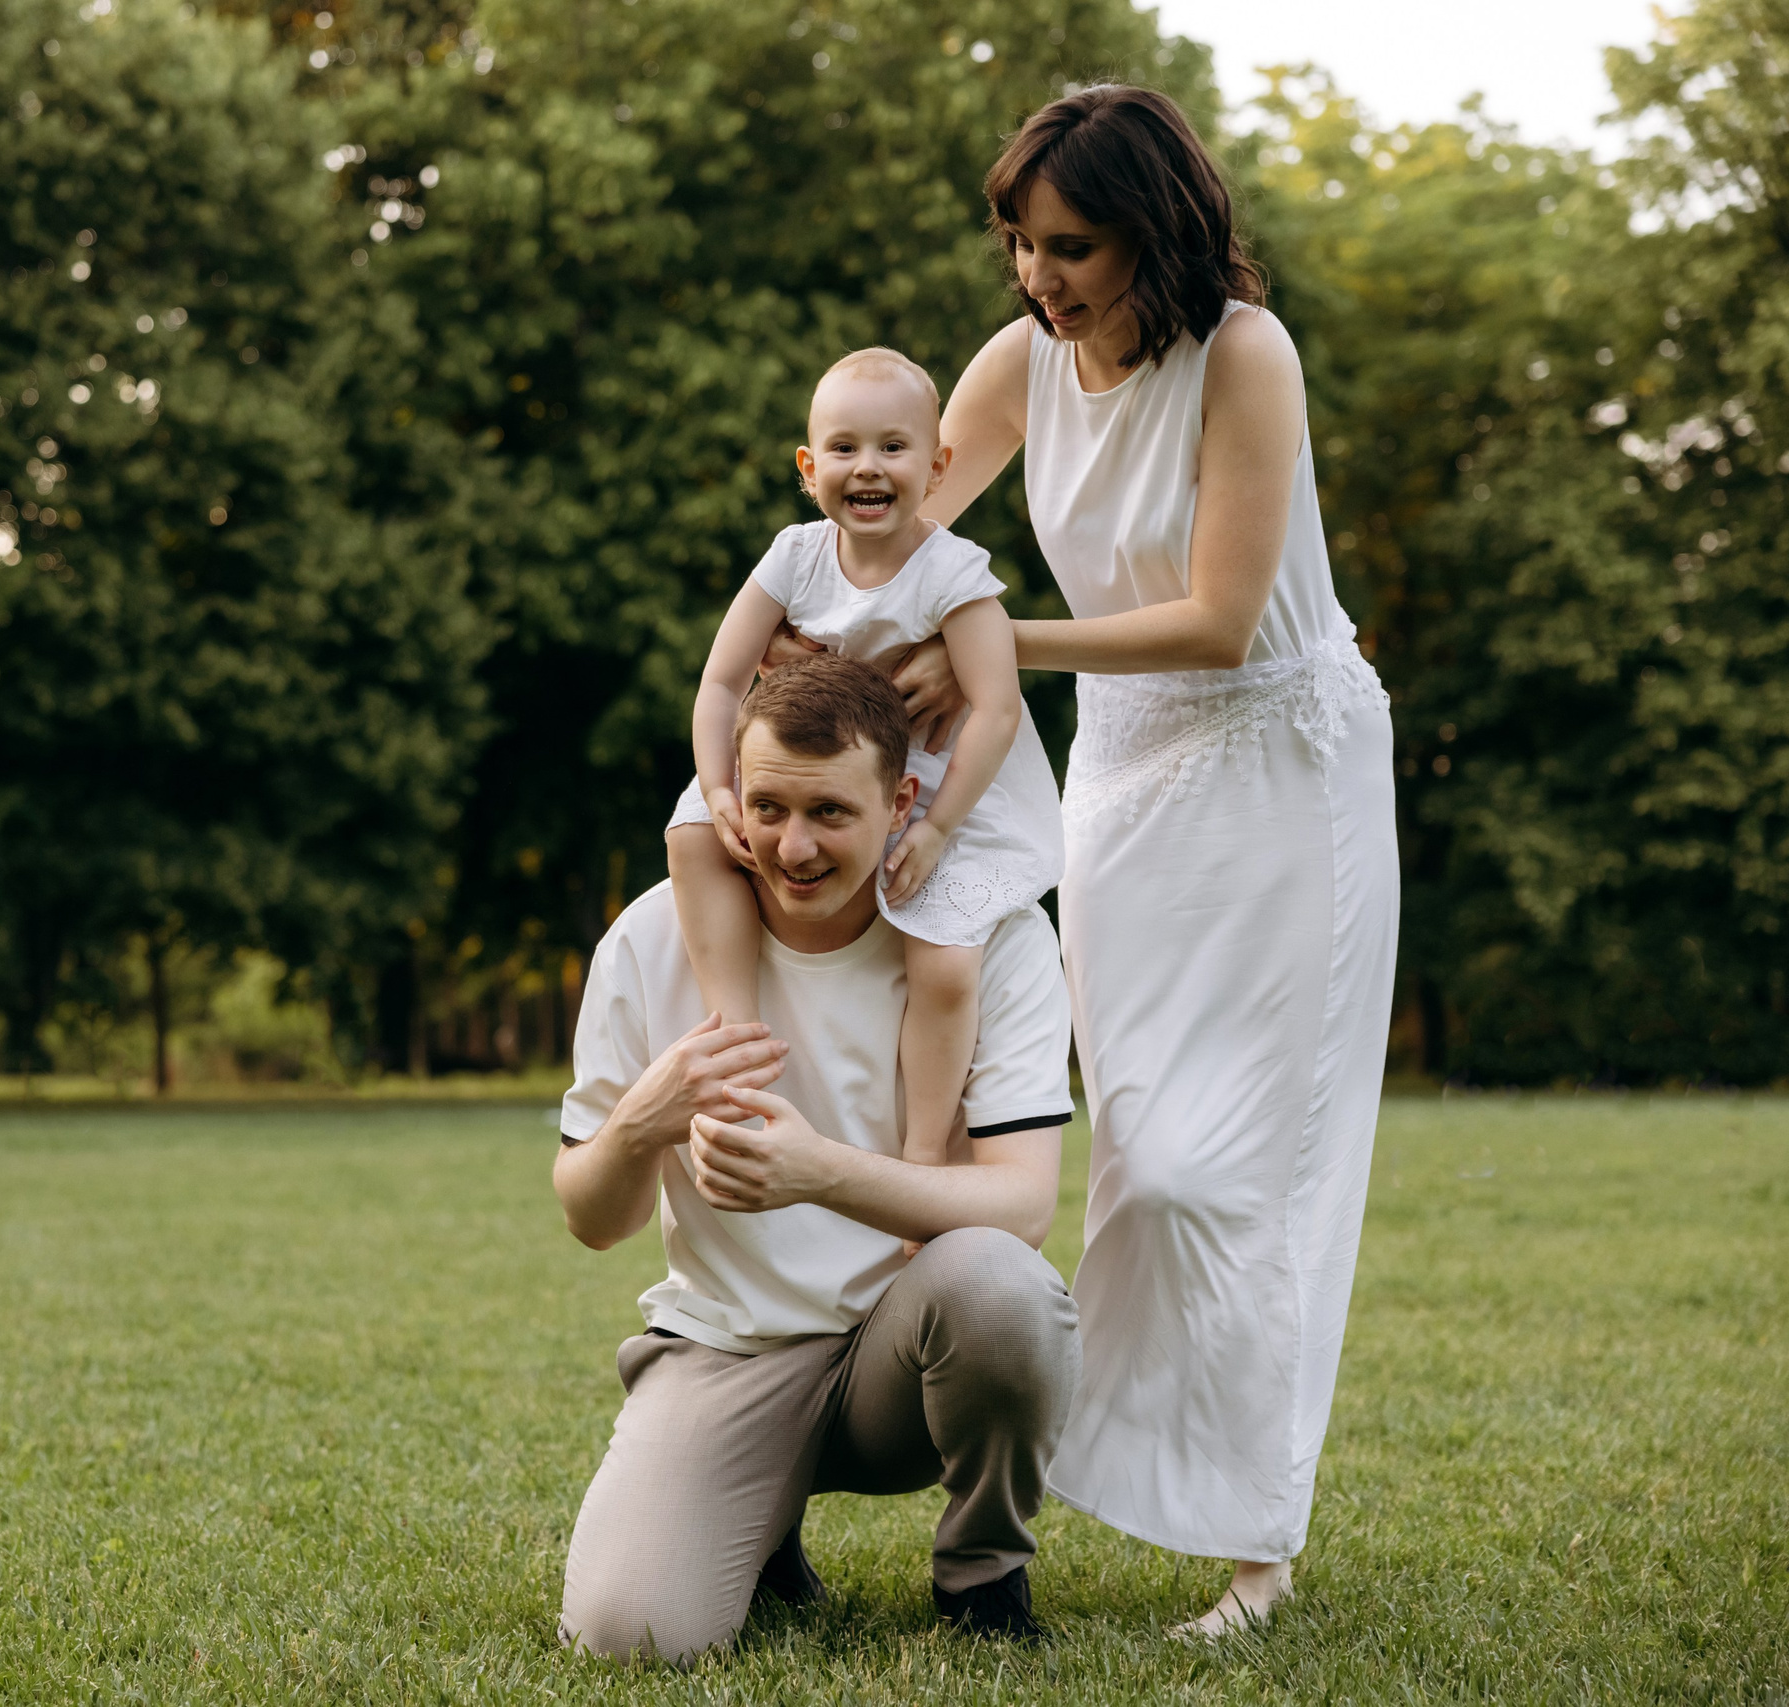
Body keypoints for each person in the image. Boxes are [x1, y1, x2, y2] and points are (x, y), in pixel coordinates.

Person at [894, 84, 1400, 1635]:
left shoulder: (1244, 356)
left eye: (1073, 245)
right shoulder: (1020, 362)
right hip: (1120, 784)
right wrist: (806, 624)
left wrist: (990, 640)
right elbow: (897, 521)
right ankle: (1129, 1469)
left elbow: (1217, 615)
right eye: (1019, 241)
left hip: (1278, 771)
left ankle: (1263, 1545)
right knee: (1143, 1161)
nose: (1038, 277)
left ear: (1156, 230)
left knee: (1245, 1162)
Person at [554, 653, 1081, 1664]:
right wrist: (639, 1123)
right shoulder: (650, 938)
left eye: (830, 814)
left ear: (902, 801)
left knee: (1000, 1284)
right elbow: (589, 1217)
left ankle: (981, 1575)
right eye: (766, 809)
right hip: (729, 1350)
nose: (790, 847)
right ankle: (758, 1536)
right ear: (730, 804)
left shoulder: (993, 940)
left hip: (907, 1350)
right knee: (630, 1635)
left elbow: (1021, 1207)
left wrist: (817, 1171)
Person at [666, 347, 1064, 1178]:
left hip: (952, 790)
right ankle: (736, 1039)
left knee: (945, 961)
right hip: (819, 778)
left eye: (894, 446)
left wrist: (940, 827)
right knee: (694, 835)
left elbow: (996, 709)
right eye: (844, 448)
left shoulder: (956, 574)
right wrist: (717, 785)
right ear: (809, 468)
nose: (868, 467)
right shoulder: (795, 558)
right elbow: (719, 680)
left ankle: (923, 1148)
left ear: (938, 464)